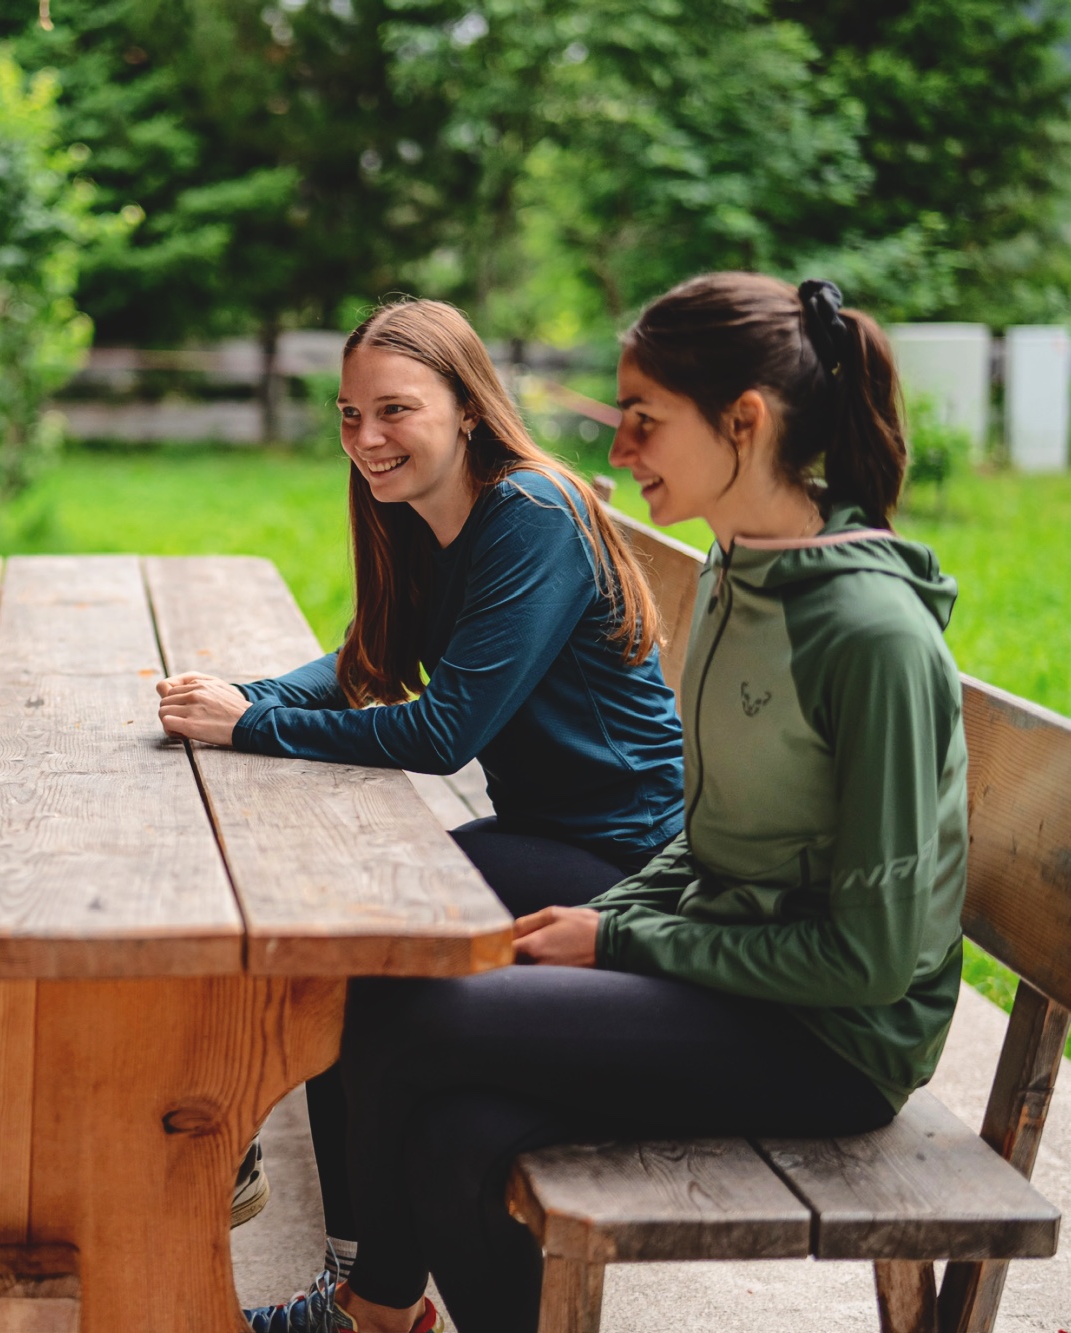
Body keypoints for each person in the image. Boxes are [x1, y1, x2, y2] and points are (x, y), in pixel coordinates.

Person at [249, 273, 967, 1333]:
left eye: (642, 418)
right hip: (726, 963)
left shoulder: (870, 638)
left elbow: (867, 961)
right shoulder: (738, 578)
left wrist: (622, 937)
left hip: (833, 1039)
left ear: (744, 422)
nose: (616, 450)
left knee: (400, 1010)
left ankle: (364, 1313)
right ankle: (380, 1310)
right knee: (453, 1128)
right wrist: (621, 927)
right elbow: (711, 837)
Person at [153, 299, 686, 1279]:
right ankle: (357, 1269)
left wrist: (251, 725)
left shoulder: (530, 515)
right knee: (336, 931)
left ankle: (368, 1284)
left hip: (624, 855)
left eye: (393, 410)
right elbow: (368, 657)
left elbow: (443, 733)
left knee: (355, 953)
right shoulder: (416, 512)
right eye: (349, 414)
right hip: (542, 827)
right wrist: (242, 698)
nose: (364, 438)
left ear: (468, 409)